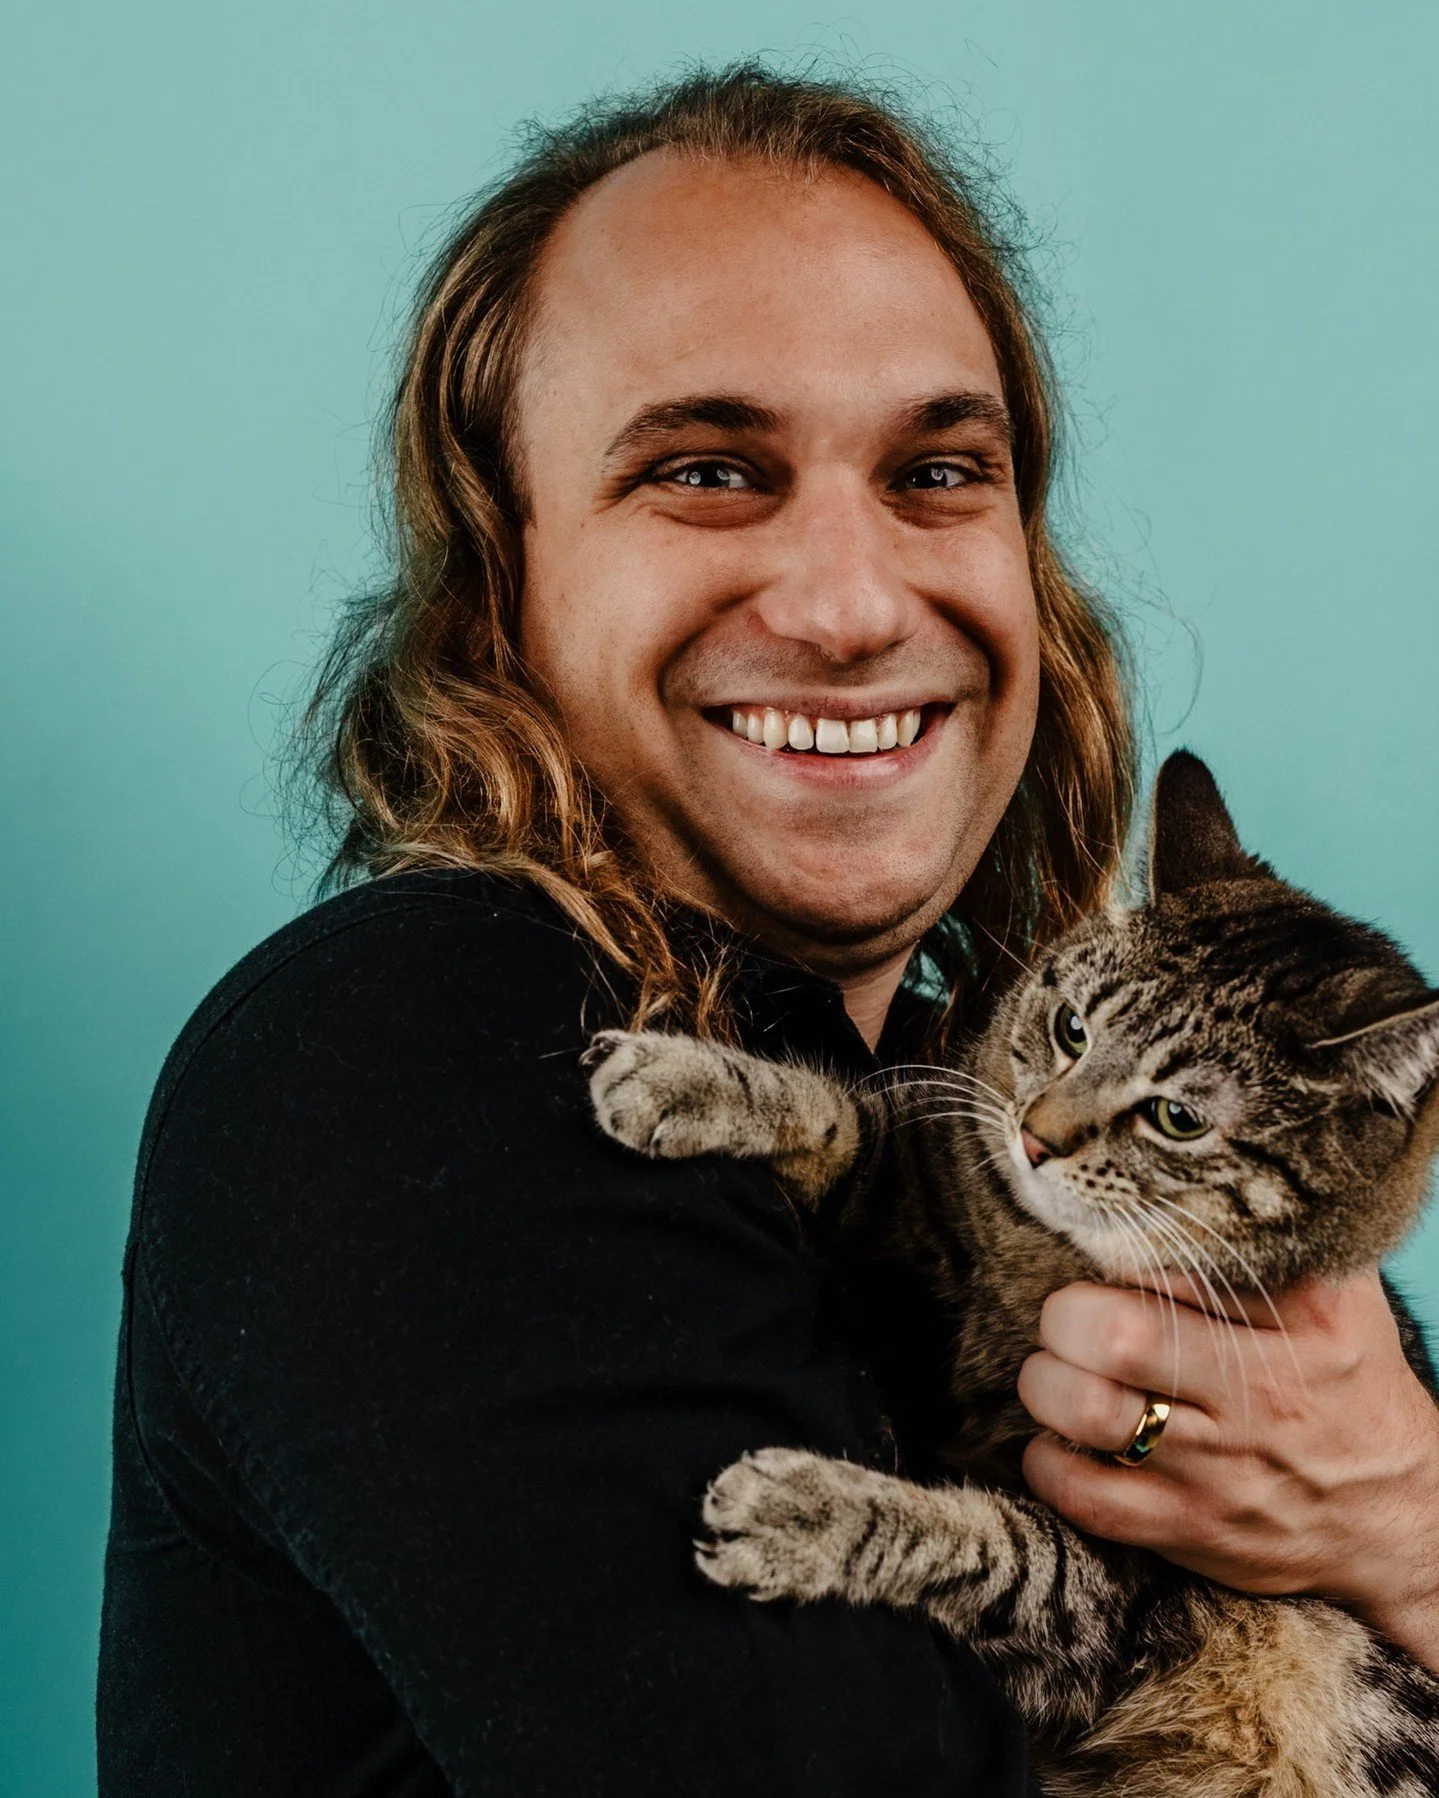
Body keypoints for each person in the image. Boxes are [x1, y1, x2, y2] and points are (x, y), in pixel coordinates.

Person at [96, 64, 1439, 1795]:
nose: (852, 599)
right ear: (497, 586)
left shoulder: (935, 1091)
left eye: (940, 470)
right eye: (710, 469)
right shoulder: (419, 1038)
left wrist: (1406, 1522)